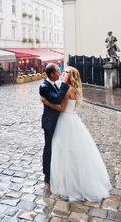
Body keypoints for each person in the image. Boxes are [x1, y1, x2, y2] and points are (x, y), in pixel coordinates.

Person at [40, 67, 112, 201]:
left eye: (66, 72)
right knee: (70, 151)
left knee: (65, 151)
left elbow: (61, 107)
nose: (63, 73)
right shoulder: (71, 88)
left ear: (71, 76)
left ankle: (69, 181)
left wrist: (47, 102)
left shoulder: (67, 89)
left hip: (66, 120)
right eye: (63, 71)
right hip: (71, 119)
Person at [39, 63, 70, 185]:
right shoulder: (44, 86)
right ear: (52, 74)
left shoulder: (52, 83)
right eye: (58, 71)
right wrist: (64, 84)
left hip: (58, 120)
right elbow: (57, 99)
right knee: (49, 147)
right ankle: (47, 174)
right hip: (50, 122)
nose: (60, 73)